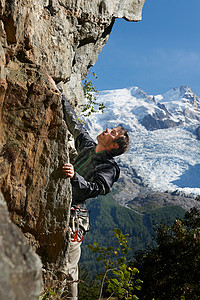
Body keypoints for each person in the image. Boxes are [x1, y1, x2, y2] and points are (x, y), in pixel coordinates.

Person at [48, 76, 129, 299]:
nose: (106, 129)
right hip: (58, 206)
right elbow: (74, 123)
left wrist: (75, 177)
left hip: (75, 216)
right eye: (110, 128)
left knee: (69, 267)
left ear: (114, 145)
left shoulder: (109, 167)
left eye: (112, 132)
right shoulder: (88, 145)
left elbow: (98, 188)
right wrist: (58, 93)